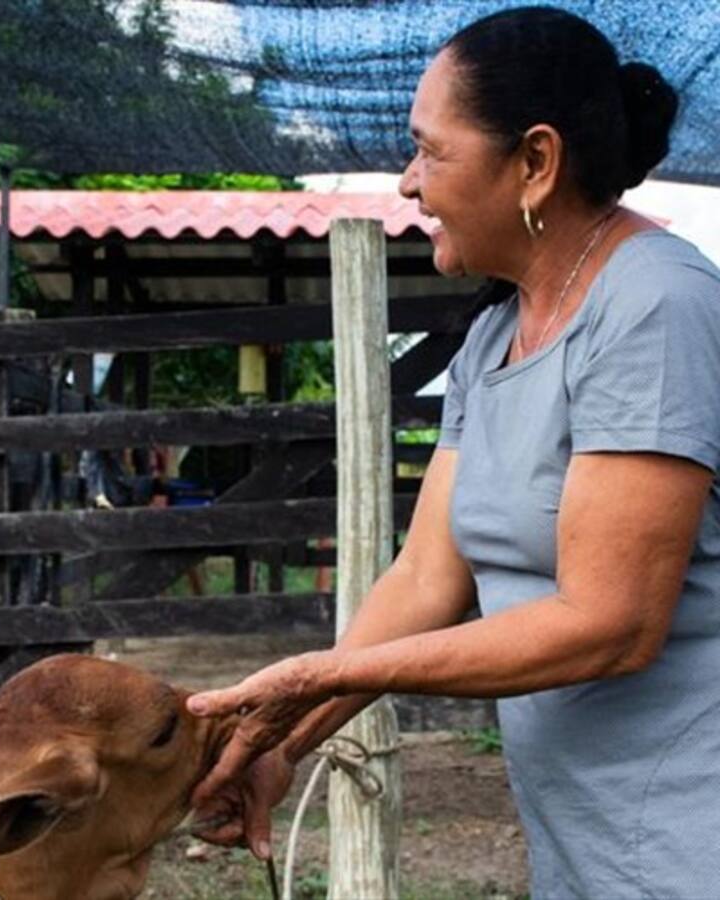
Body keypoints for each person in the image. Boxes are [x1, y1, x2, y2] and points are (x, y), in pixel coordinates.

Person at [187, 7, 720, 897]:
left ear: (535, 163)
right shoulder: (493, 338)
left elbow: (611, 621)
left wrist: (325, 672)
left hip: (687, 832)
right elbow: (427, 577)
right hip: (583, 836)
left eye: (431, 152)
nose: (407, 182)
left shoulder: (655, 304)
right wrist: (280, 745)